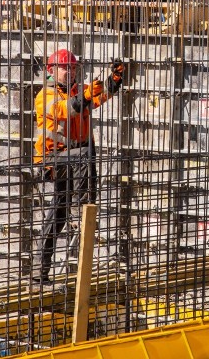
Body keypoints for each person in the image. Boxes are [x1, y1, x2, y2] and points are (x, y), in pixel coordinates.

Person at [33, 49, 125, 283]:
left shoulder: (76, 91)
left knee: (58, 212)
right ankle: (84, 204)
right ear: (52, 71)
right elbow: (66, 110)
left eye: (73, 68)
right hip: (53, 157)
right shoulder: (45, 95)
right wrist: (85, 95)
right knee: (85, 153)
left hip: (73, 159)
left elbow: (98, 96)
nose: (70, 71)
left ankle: (39, 271)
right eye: (66, 68)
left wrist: (113, 81)